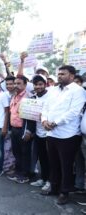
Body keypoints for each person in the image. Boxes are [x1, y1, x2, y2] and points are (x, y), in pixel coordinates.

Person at [40, 65, 86, 205]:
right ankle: (54, 187)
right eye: (58, 73)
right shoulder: (53, 90)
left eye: (63, 74)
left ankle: (64, 192)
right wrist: (44, 120)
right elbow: (45, 107)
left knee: (66, 165)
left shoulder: (78, 91)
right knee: (53, 163)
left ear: (72, 76)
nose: (59, 76)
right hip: (51, 133)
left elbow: (74, 112)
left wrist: (54, 123)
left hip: (68, 135)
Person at [7, 75, 35, 184]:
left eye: (19, 83)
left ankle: (25, 174)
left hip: (23, 129)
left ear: (25, 85)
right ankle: (18, 171)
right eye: (15, 83)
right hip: (14, 128)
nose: (16, 85)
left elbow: (32, 117)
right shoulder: (14, 96)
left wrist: (29, 131)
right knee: (16, 151)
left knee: (25, 152)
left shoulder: (29, 97)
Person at [28, 75, 51, 192]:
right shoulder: (33, 98)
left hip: (49, 133)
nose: (38, 87)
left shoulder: (51, 97)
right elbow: (30, 117)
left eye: (40, 84)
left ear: (45, 84)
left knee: (50, 159)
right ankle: (43, 178)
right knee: (42, 158)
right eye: (36, 84)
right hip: (38, 132)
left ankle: (50, 181)